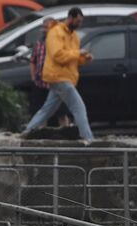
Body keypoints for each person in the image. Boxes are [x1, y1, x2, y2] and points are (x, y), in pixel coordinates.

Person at [23, 9, 94, 144]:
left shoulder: (74, 37)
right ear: (70, 18)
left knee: (47, 109)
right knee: (79, 108)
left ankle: (28, 131)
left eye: (80, 22)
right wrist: (78, 53)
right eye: (78, 21)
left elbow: (72, 58)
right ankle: (88, 138)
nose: (79, 24)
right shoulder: (55, 32)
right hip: (59, 77)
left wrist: (84, 58)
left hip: (65, 78)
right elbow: (58, 56)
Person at [27, 21, 70, 130]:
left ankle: (66, 131)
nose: (44, 30)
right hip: (40, 83)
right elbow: (33, 61)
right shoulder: (39, 43)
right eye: (44, 27)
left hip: (56, 82)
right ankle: (42, 133)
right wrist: (33, 76)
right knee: (41, 110)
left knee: (61, 111)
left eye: (47, 27)